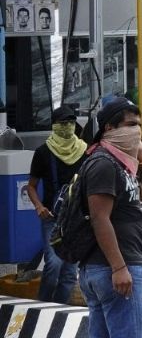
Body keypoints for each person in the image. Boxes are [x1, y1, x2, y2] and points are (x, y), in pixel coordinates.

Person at [80, 98, 142, 338]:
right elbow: (99, 218)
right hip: (115, 266)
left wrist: (141, 156)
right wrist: (118, 267)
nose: (136, 131)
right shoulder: (103, 163)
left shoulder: (121, 164)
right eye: (129, 125)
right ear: (109, 128)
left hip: (108, 267)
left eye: (139, 125)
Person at [25, 106, 87, 303]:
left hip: (76, 220)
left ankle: (58, 310)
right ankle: (42, 306)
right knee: (53, 264)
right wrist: (38, 207)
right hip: (52, 218)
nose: (67, 127)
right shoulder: (43, 152)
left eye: (70, 122)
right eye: (62, 123)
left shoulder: (84, 151)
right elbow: (31, 186)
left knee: (70, 272)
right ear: (54, 126)